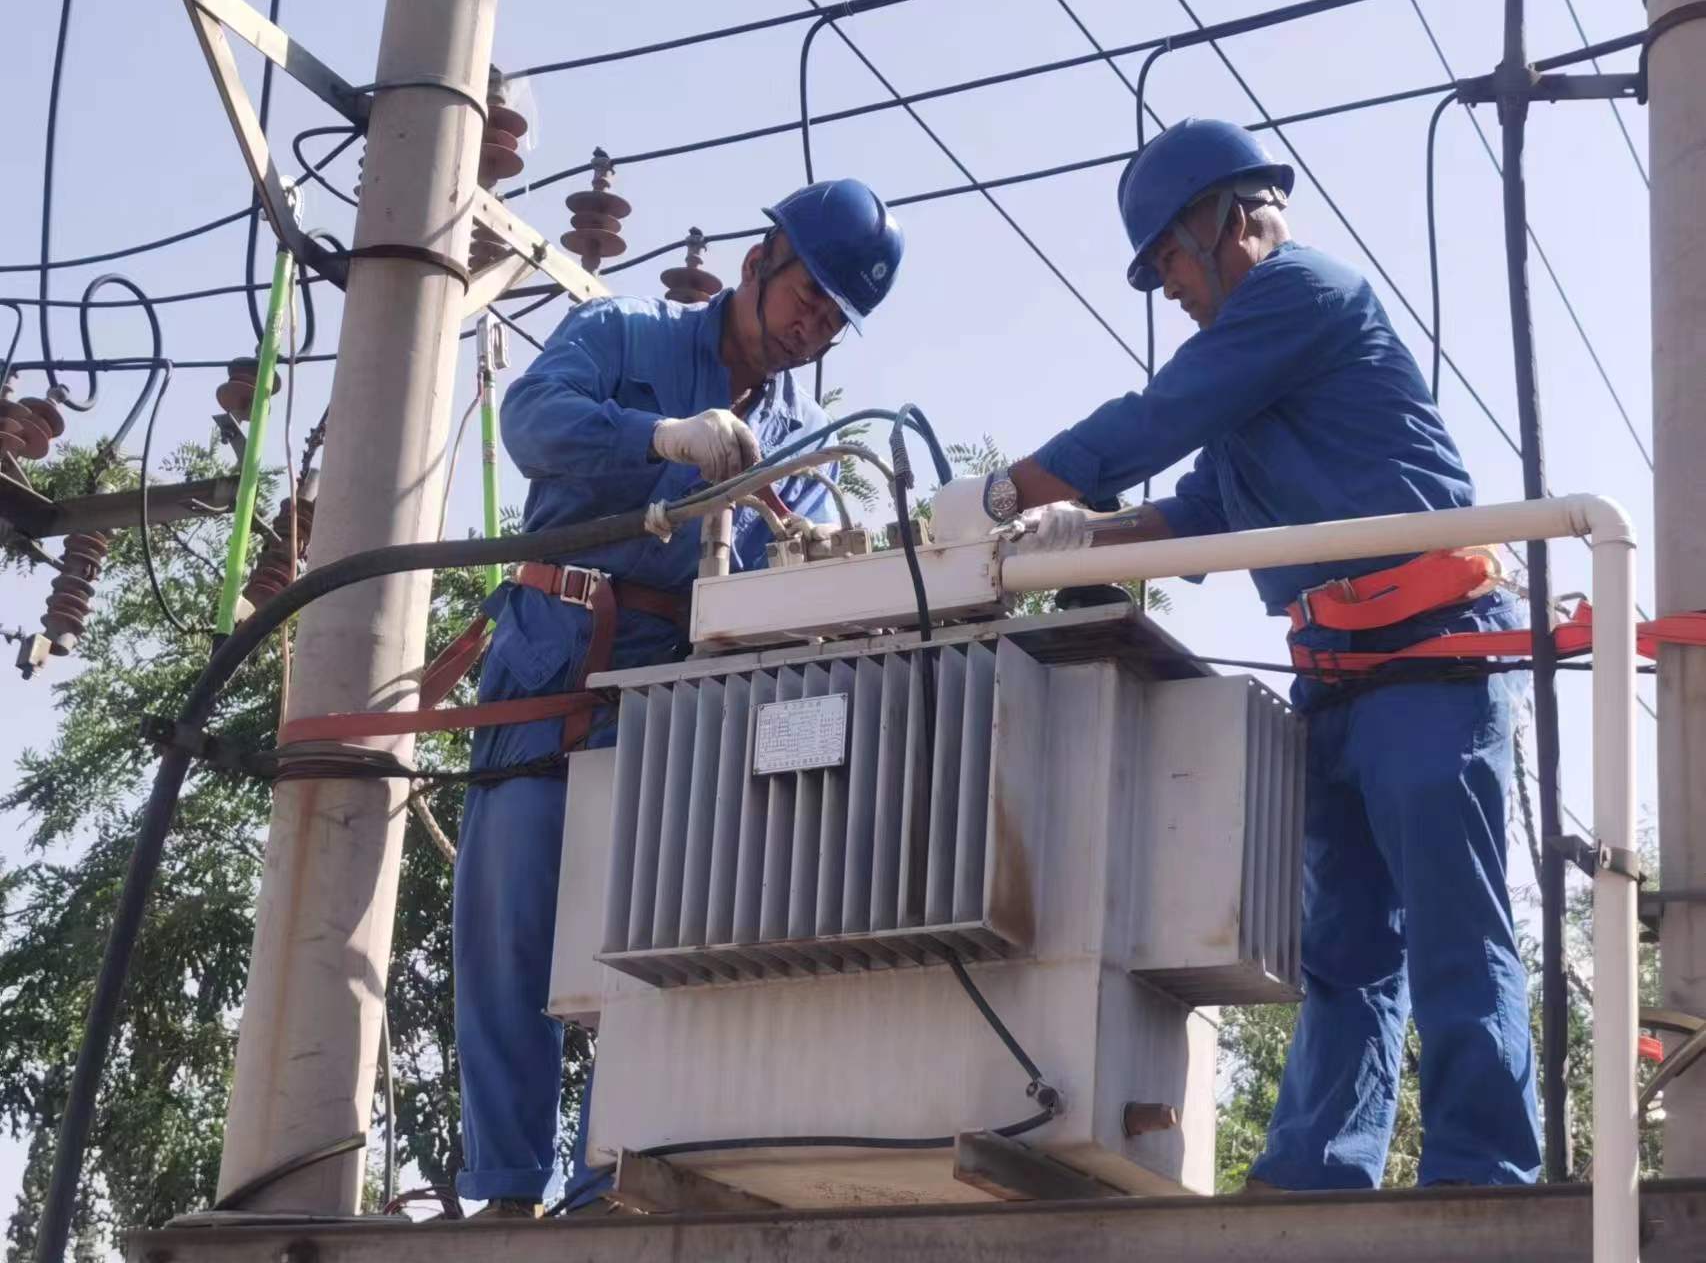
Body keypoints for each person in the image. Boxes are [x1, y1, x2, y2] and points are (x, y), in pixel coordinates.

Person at [932, 119, 1541, 1189]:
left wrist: (998, 494)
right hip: (1341, 675)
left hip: (1429, 652)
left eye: (1166, 257)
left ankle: (1482, 1179)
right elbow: (1204, 505)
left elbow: (1156, 416)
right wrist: (1075, 537)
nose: (1166, 285)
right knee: (1344, 948)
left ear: (1228, 219)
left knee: (1453, 926)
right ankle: (1315, 1174)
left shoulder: (1302, 294)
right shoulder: (1257, 384)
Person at [454, 178, 905, 1214]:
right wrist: (657, 437)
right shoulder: (626, 333)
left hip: (676, 697)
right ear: (757, 262)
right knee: (511, 920)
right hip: (553, 661)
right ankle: (508, 1188)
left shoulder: (802, 439)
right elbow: (531, 421)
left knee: (651, 942)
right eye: (808, 294)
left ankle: (604, 1184)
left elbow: (786, 579)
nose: (812, 325)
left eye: (834, 318)